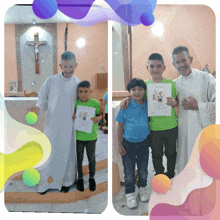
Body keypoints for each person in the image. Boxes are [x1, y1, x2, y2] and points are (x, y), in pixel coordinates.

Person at [28, 51, 80, 195]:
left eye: (71, 66)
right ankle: (45, 183)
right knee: (49, 153)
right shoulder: (51, 81)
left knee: (67, 154)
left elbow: (82, 104)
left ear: (76, 65)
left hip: (69, 126)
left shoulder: (78, 83)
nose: (69, 70)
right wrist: (37, 108)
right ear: (60, 65)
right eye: (65, 66)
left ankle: (66, 182)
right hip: (52, 124)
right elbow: (42, 99)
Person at [120, 53, 179, 179]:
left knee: (171, 153)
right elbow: (136, 97)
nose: (155, 69)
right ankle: (159, 175)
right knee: (156, 154)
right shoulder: (145, 86)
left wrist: (175, 103)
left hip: (171, 125)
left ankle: (171, 175)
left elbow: (177, 100)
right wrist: (126, 98)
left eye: (159, 66)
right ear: (147, 68)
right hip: (153, 127)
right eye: (152, 66)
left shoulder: (171, 84)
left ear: (164, 67)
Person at [171, 46, 216, 173]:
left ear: (190, 59)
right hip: (184, 131)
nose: (181, 65)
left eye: (183, 60)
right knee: (186, 162)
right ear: (173, 64)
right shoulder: (175, 84)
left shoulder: (206, 78)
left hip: (202, 129)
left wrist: (198, 106)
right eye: (177, 62)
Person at [116, 78, 150, 209]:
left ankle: (142, 188)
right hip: (128, 144)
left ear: (144, 91)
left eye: (140, 89)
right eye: (133, 89)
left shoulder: (148, 104)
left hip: (143, 143)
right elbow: (120, 127)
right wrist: (119, 144)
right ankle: (130, 193)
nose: (137, 92)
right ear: (129, 91)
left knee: (143, 170)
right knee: (129, 172)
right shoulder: (125, 106)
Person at [73, 81, 102, 192]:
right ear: (78, 92)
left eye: (85, 91)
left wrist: (98, 119)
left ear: (90, 91)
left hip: (91, 137)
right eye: (80, 91)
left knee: (91, 158)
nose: (83, 94)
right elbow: (73, 116)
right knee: (79, 158)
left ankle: (91, 178)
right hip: (79, 137)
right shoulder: (76, 104)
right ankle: (80, 178)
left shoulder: (94, 103)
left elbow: (100, 116)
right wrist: (74, 117)